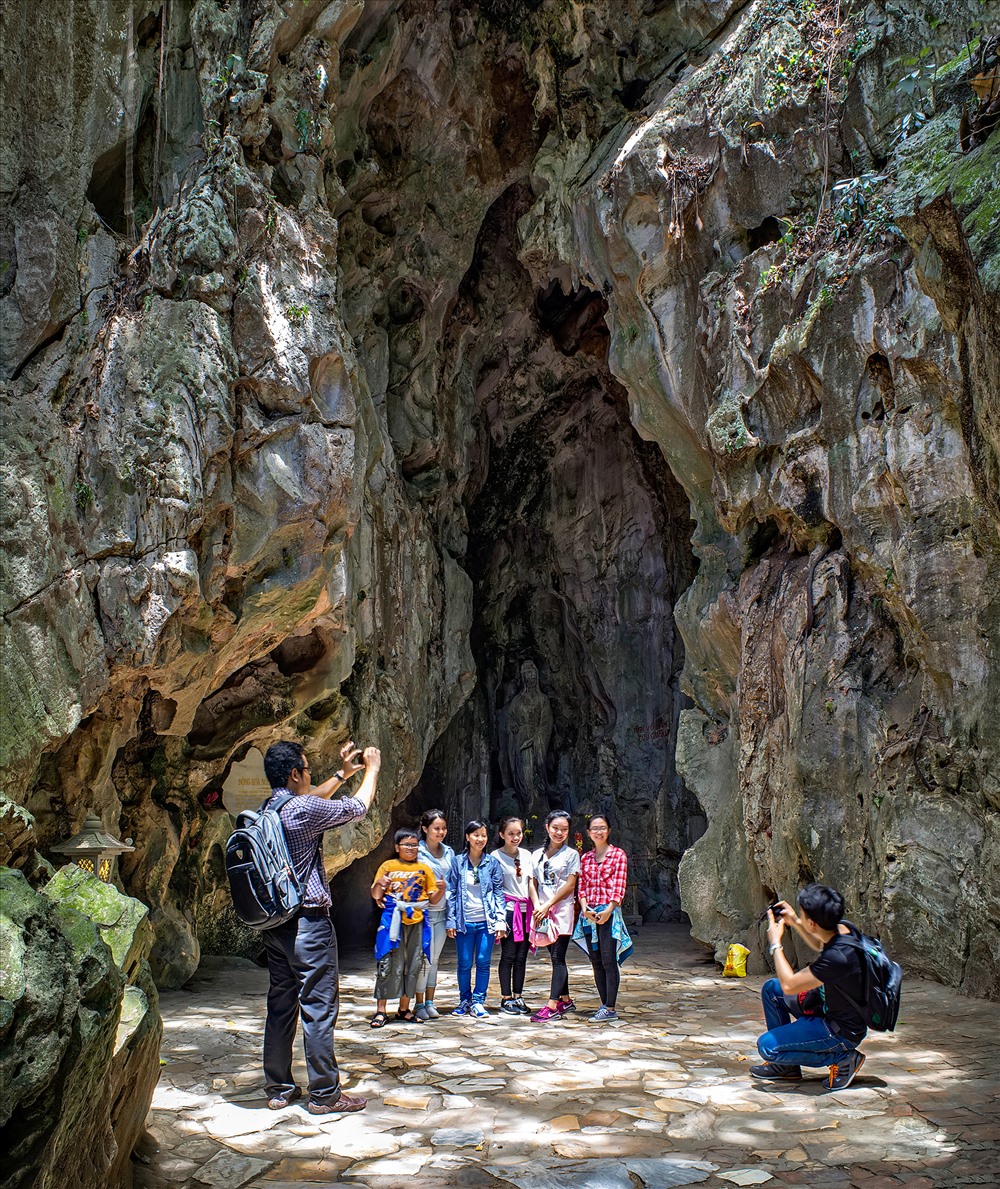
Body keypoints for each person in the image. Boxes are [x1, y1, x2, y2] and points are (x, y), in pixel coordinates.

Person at [259, 738, 380, 1115]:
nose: (310, 775)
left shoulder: (268, 809)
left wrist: (342, 773)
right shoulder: (303, 809)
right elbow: (357, 808)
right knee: (318, 1007)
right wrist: (371, 769)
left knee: (281, 1006)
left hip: (275, 924)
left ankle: (279, 1088)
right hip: (309, 924)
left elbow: (311, 798)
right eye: (307, 769)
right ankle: (325, 1094)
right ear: (295, 773)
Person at [752, 883, 869, 1091]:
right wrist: (795, 921)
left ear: (813, 923)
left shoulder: (836, 960)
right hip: (829, 1008)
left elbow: (790, 985)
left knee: (767, 1047)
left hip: (839, 1031)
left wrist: (776, 943)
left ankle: (844, 1057)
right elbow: (819, 943)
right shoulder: (845, 930)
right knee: (772, 989)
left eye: (804, 915)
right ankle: (786, 1068)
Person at [370, 829, 443, 1027]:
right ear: (397, 847)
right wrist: (380, 883)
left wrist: (442, 889)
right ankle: (381, 1010)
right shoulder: (388, 866)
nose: (411, 849)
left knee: (413, 964)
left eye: (414, 845)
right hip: (391, 921)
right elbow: (376, 894)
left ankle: (404, 1008)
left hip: (417, 921)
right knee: (387, 961)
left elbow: (432, 897)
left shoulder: (424, 868)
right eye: (406, 845)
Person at [574, 814, 633, 1022]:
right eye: (594, 828)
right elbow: (581, 888)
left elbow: (619, 887)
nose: (598, 832)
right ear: (589, 832)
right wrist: (584, 908)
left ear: (608, 831)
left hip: (609, 914)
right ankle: (604, 1005)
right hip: (589, 914)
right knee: (596, 961)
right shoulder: (585, 858)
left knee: (609, 960)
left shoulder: (618, 855)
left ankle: (610, 1007)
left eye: (602, 828)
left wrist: (608, 910)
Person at [446, 820, 506, 1018]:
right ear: (467, 837)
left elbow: (498, 893)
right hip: (465, 921)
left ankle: (479, 1002)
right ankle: (464, 1000)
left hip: (486, 921)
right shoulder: (457, 862)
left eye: (484, 835)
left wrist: (500, 920)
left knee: (483, 961)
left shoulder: (492, 863)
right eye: (476, 835)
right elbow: (451, 892)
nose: (480, 839)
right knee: (464, 962)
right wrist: (451, 920)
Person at [529, 810, 580, 1022]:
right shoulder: (536, 855)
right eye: (555, 828)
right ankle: (565, 999)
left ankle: (552, 1005)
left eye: (564, 829)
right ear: (547, 827)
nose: (559, 832)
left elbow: (570, 885)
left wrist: (548, 904)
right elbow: (532, 882)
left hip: (561, 911)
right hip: (542, 911)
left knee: (558, 957)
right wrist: (538, 906)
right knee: (554, 956)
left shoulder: (572, 855)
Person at [491, 816, 536, 1015]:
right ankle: (506, 997)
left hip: (526, 911)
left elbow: (531, 883)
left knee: (521, 956)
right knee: (508, 955)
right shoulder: (495, 857)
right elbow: (494, 888)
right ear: (502, 835)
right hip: (508, 911)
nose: (515, 837)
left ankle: (518, 995)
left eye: (518, 833)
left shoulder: (527, 855)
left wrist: (537, 907)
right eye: (510, 833)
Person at [414, 809, 455, 1021]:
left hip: (442, 911)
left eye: (443, 828)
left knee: (435, 959)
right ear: (425, 829)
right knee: (423, 959)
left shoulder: (449, 852)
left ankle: (430, 1001)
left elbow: (454, 882)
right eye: (436, 828)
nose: (441, 832)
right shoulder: (417, 852)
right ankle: (418, 1003)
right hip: (423, 913)